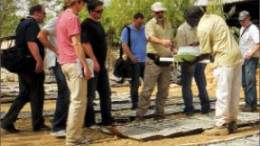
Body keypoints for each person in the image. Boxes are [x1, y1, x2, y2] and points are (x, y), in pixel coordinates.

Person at [184, 6, 243, 136]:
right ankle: (232, 122)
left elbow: (205, 53)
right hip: (236, 56)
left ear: (194, 19)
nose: (190, 24)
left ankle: (221, 125)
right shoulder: (215, 18)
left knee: (223, 92)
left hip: (224, 59)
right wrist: (198, 43)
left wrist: (190, 62)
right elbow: (216, 37)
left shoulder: (202, 28)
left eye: (189, 21)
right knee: (233, 92)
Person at [1, 4, 49, 133]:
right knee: (37, 93)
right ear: (37, 13)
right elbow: (31, 42)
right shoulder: (31, 24)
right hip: (30, 65)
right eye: (44, 14)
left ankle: (7, 121)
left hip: (22, 65)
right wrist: (39, 60)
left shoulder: (22, 23)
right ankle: (37, 123)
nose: (45, 17)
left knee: (25, 94)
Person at [56, 0, 92, 145]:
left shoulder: (61, 17)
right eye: (83, 3)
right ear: (77, 2)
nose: (83, 6)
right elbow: (76, 43)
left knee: (75, 100)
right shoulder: (72, 18)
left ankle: (74, 135)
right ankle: (73, 138)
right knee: (78, 102)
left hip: (65, 62)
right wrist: (85, 65)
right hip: (73, 62)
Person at [136, 2, 173, 121]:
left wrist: (173, 48)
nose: (160, 14)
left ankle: (159, 115)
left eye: (161, 12)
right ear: (153, 13)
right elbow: (151, 38)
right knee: (147, 89)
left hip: (166, 61)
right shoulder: (150, 25)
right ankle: (140, 115)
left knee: (164, 90)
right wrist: (163, 42)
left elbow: (171, 41)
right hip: (153, 61)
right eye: (157, 12)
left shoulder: (168, 23)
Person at [81, 0, 114, 127]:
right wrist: (94, 60)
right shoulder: (86, 24)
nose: (100, 13)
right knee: (90, 95)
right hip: (91, 63)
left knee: (105, 92)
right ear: (90, 11)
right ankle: (89, 121)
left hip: (101, 64)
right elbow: (85, 43)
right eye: (98, 11)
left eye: (101, 11)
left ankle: (107, 119)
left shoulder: (98, 24)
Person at [37, 11, 70, 137]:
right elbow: (41, 35)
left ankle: (63, 124)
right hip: (57, 60)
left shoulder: (69, 21)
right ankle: (57, 126)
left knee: (68, 92)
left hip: (66, 60)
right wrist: (55, 50)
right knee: (64, 91)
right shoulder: (56, 20)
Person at [175, 10, 210, 116]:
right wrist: (188, 65)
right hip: (187, 62)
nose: (198, 21)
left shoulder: (199, 27)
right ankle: (189, 110)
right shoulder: (181, 30)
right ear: (189, 18)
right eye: (196, 19)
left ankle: (206, 108)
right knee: (187, 86)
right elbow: (181, 49)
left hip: (199, 60)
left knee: (202, 84)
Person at [120, 13, 147, 110]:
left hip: (145, 61)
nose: (140, 24)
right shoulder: (127, 30)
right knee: (135, 83)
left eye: (142, 22)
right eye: (138, 22)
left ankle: (144, 102)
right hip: (135, 61)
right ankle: (135, 103)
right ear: (134, 20)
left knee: (148, 83)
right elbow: (124, 44)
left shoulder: (145, 29)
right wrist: (131, 57)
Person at [238, 10, 260, 112]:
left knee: (250, 82)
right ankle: (248, 103)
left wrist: (251, 54)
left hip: (250, 59)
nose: (241, 22)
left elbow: (258, 44)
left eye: (243, 20)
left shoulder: (253, 29)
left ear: (248, 19)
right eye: (240, 21)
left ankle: (252, 105)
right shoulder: (242, 29)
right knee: (244, 82)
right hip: (242, 59)